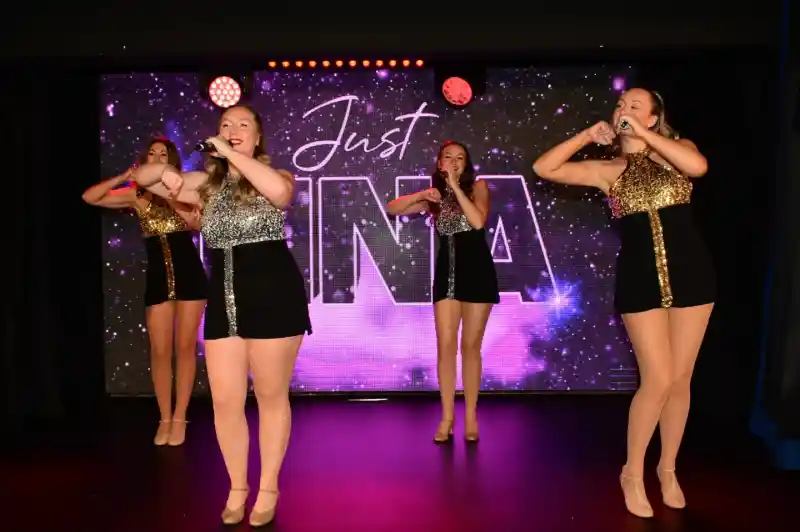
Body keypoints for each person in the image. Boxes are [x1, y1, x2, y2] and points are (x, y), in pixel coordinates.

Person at [533, 88, 714, 518]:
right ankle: (632, 472)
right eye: (620, 105)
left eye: (635, 105)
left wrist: (647, 140)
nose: (624, 109)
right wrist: (584, 136)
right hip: (639, 280)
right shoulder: (607, 169)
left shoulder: (676, 152)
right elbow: (545, 167)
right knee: (658, 378)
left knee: (681, 380)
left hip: (693, 274)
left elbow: (699, 167)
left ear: (653, 118)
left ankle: (667, 468)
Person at [133, 104, 311, 527]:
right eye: (225, 125)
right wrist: (165, 174)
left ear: (257, 137)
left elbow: (282, 195)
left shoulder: (277, 177)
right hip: (225, 302)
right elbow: (140, 178)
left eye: (242, 125)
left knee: (270, 396)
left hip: (274, 297)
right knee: (226, 401)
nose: (232, 129)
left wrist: (231, 155)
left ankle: (268, 486)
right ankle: (238, 486)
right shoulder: (205, 187)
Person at [82, 137, 207, 447]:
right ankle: (164, 417)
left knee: (185, 348)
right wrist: (125, 177)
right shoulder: (135, 195)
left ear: (171, 162)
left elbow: (203, 225)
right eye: (152, 153)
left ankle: (180, 417)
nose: (156, 157)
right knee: (160, 351)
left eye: (163, 154)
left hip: (190, 274)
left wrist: (177, 196)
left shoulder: (184, 190)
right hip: (157, 277)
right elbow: (90, 197)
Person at [387, 141, 499, 444]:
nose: (453, 161)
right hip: (447, 274)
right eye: (447, 157)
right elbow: (392, 208)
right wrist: (423, 195)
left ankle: (471, 416)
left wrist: (455, 187)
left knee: (471, 347)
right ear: (439, 163)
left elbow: (477, 221)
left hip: (477, 272)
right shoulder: (434, 197)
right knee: (446, 345)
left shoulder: (478, 187)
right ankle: (447, 417)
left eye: (459, 158)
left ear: (466, 164)